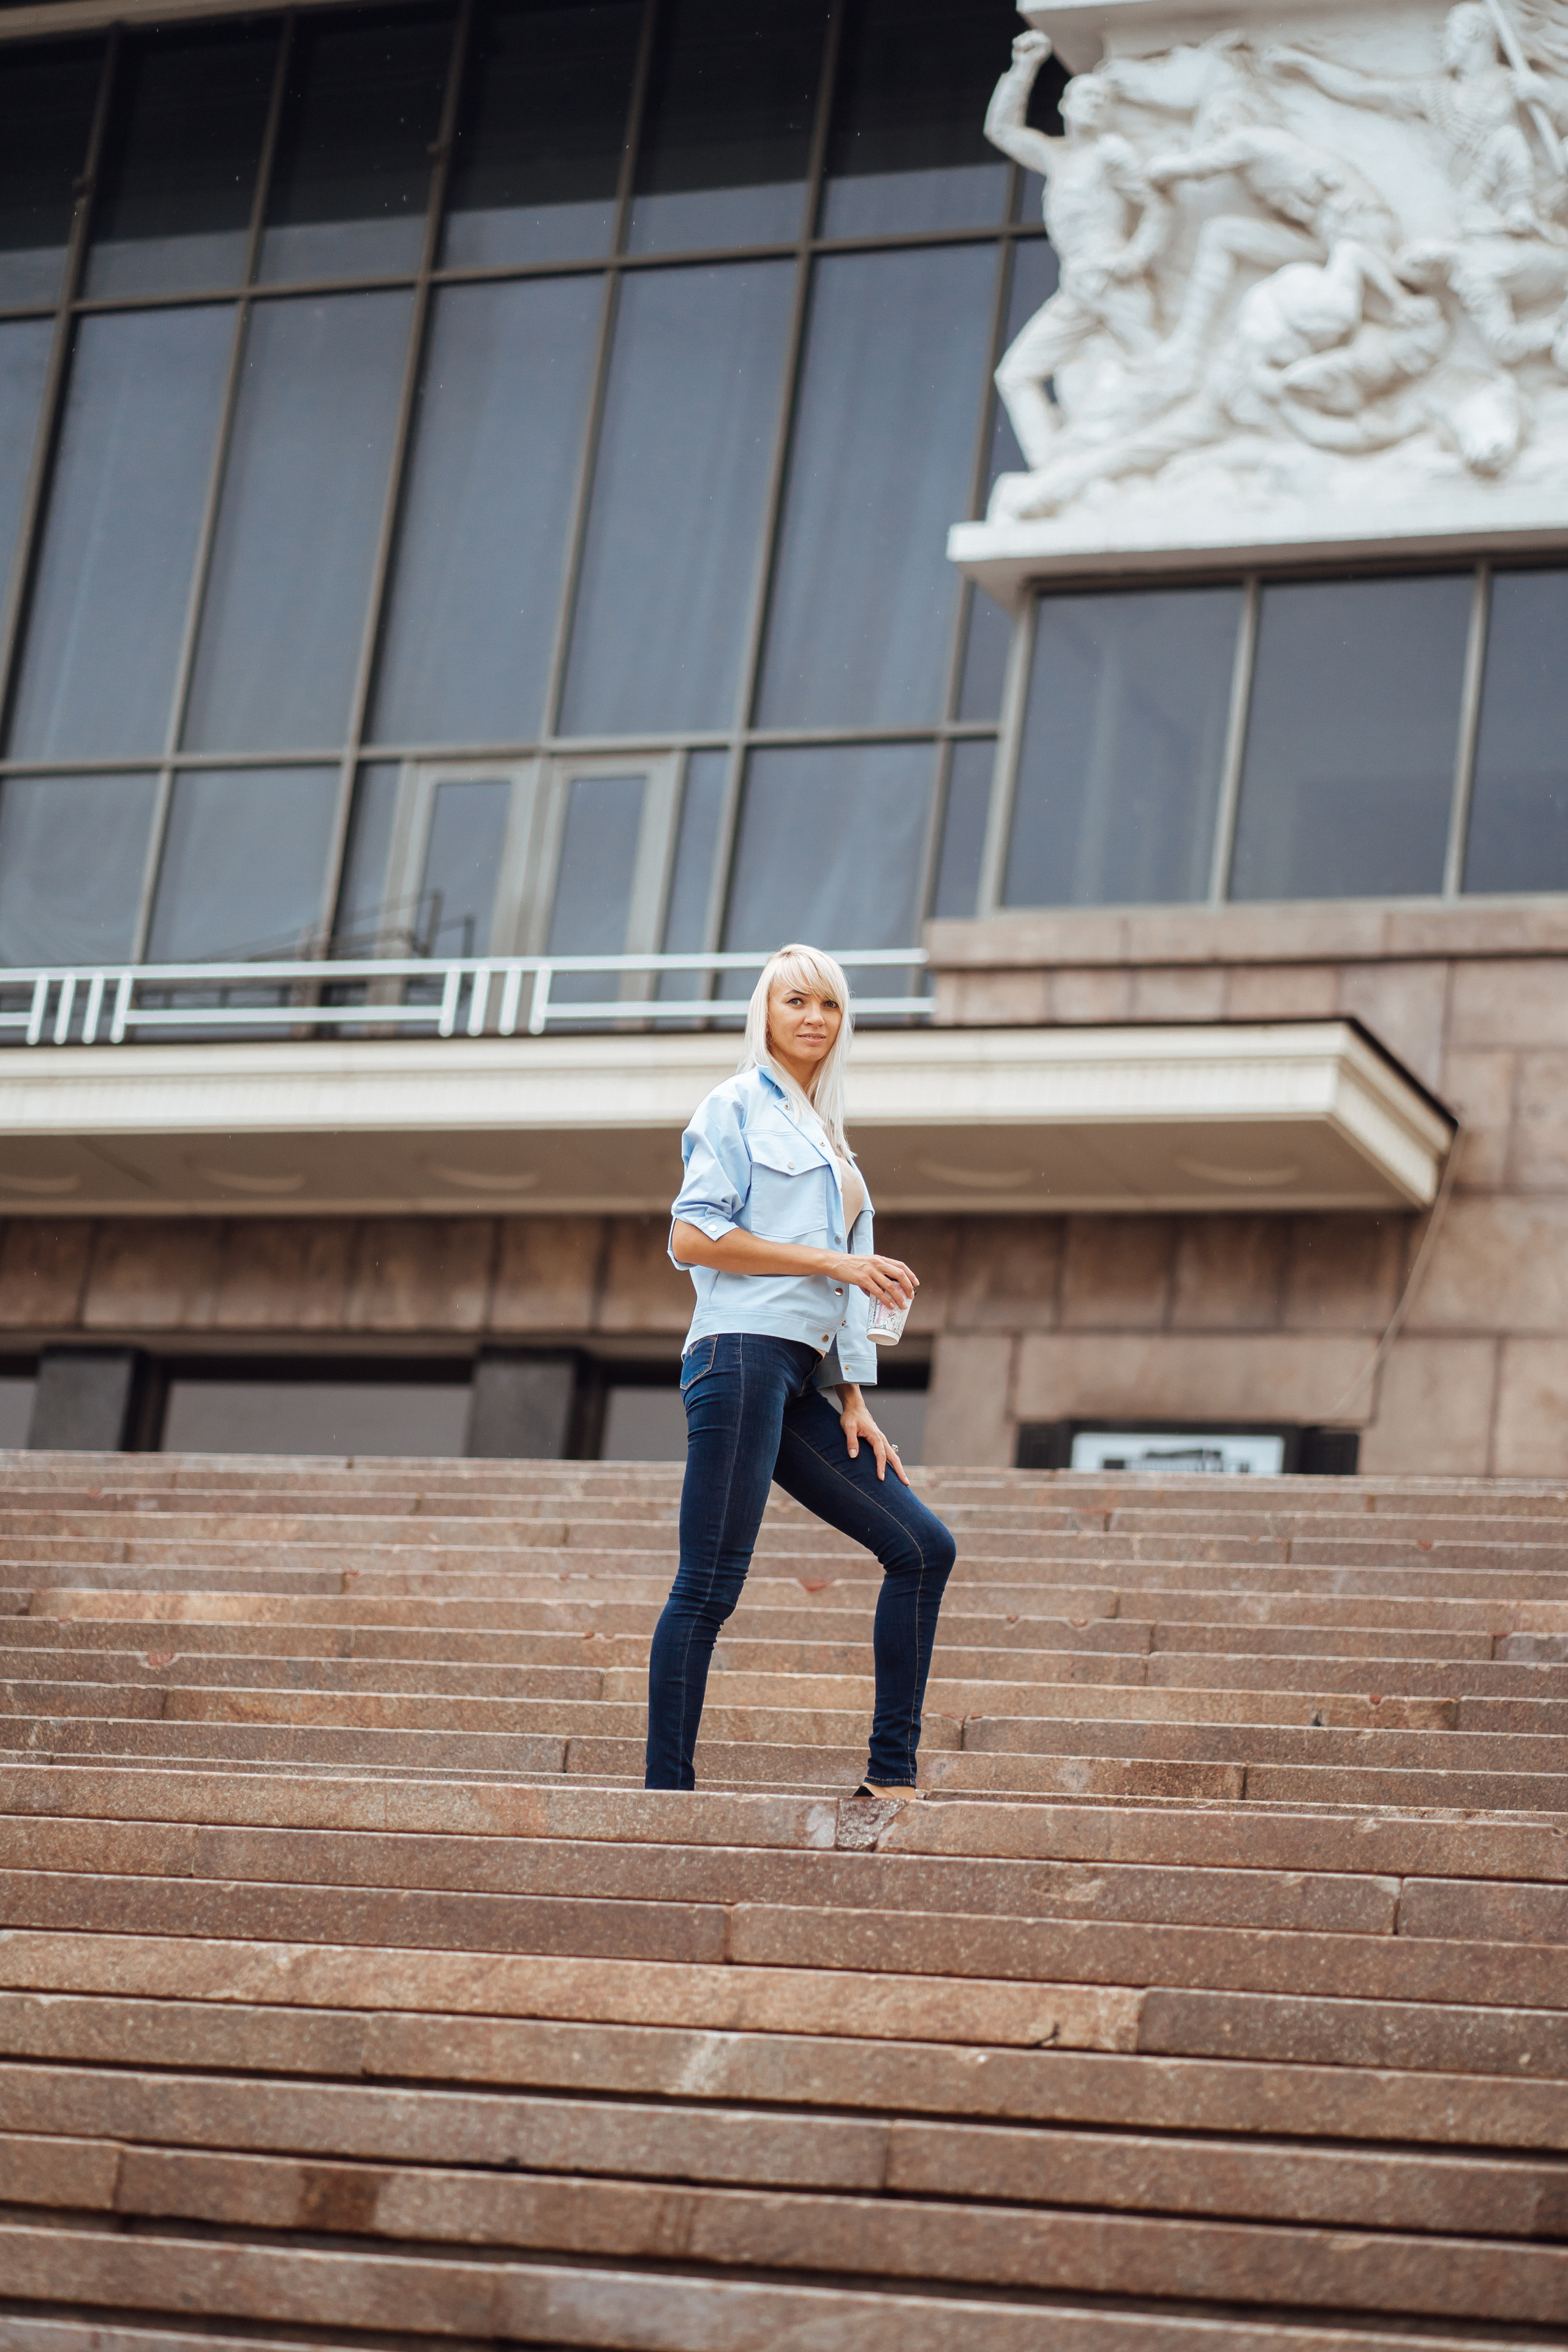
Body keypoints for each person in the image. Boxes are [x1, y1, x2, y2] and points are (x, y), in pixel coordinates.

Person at [645, 943, 957, 1798]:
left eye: (829, 1004)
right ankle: (666, 1798)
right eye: (796, 1001)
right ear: (766, 1012)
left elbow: (844, 1294)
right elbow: (692, 1236)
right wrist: (830, 1261)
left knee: (923, 1547)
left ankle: (890, 1778)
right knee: (710, 1585)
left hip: (803, 1377)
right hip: (740, 1356)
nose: (814, 1017)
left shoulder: (833, 1140)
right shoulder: (735, 1105)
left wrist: (853, 1397)